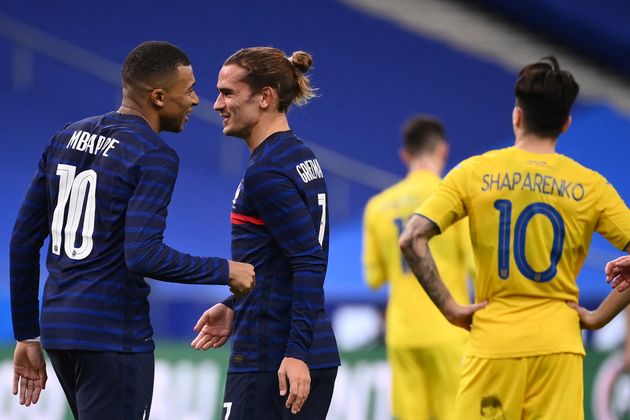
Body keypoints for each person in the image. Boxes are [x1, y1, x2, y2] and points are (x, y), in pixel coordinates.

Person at [10, 41, 255, 419]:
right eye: (188, 90)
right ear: (158, 96)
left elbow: (23, 243)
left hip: (60, 330)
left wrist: (27, 332)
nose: (195, 101)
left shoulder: (65, 137)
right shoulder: (152, 155)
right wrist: (226, 270)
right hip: (113, 335)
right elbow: (143, 254)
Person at [399, 55, 630, 419]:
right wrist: (599, 316)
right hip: (560, 346)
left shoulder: (474, 172)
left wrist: (451, 308)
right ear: (566, 124)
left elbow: (411, 239)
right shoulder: (591, 186)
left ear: (517, 116)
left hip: (493, 341)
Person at [191, 47, 340, 419]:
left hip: (273, 359)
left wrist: (295, 353)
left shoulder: (267, 172)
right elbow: (281, 261)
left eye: (227, 93)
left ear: (265, 97)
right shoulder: (299, 157)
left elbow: (307, 261)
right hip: (300, 349)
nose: (216, 104)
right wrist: (234, 306)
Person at [362, 115, 474, 419]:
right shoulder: (459, 199)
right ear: (443, 151)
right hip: (451, 329)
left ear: (405, 155)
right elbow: (477, 266)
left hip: (403, 334)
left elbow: (374, 277)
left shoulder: (378, 207)